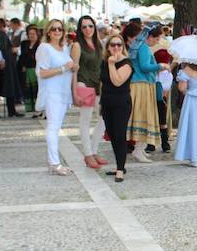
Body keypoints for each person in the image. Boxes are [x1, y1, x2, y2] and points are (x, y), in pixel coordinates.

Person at [36, 19, 77, 176]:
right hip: (52, 93)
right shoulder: (44, 48)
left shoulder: (64, 48)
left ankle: (54, 160)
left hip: (63, 92)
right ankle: (54, 163)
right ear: (48, 31)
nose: (57, 31)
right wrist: (62, 68)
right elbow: (42, 72)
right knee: (53, 128)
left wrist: (72, 67)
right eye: (54, 29)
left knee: (57, 128)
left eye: (60, 29)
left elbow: (68, 67)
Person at [124, 24, 167, 162]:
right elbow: (144, 66)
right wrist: (160, 66)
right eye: (156, 38)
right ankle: (138, 150)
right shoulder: (143, 47)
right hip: (141, 85)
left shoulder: (141, 46)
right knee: (144, 116)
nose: (157, 41)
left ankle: (140, 148)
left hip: (143, 84)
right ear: (150, 37)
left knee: (144, 116)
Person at [71, 15, 108, 169]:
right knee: (85, 121)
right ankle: (87, 154)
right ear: (80, 29)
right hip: (83, 83)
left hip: (98, 85)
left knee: (104, 119)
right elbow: (73, 70)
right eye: (84, 26)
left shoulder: (98, 43)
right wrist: (74, 92)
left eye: (90, 26)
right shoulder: (77, 45)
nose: (88, 29)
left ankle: (93, 150)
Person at [100, 35, 134, 183]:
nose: (116, 47)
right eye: (113, 45)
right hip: (107, 103)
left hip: (121, 104)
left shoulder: (126, 63)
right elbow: (103, 83)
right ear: (108, 47)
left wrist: (112, 64)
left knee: (120, 136)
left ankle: (120, 169)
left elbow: (117, 81)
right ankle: (119, 165)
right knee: (112, 136)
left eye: (119, 45)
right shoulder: (105, 62)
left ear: (123, 47)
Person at [18, 24, 41, 117]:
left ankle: (37, 107)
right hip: (26, 69)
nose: (31, 35)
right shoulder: (24, 44)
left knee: (36, 88)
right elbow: (22, 56)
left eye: (33, 34)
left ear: (37, 34)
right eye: (30, 34)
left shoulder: (40, 45)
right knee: (27, 88)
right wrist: (22, 65)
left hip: (36, 68)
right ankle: (28, 107)